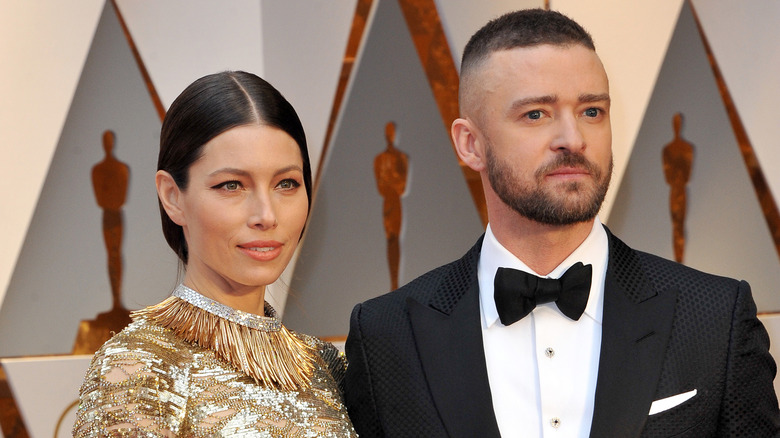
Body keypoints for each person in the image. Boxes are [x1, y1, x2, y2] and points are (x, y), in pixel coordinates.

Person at [344, 9, 779, 438]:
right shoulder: (386, 336)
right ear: (470, 144)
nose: (573, 139)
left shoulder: (716, 317)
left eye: (592, 111)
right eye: (536, 114)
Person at [73, 71, 357, 437]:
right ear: (172, 197)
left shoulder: (325, 365)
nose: (266, 215)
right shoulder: (138, 368)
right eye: (232, 185)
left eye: (286, 183)